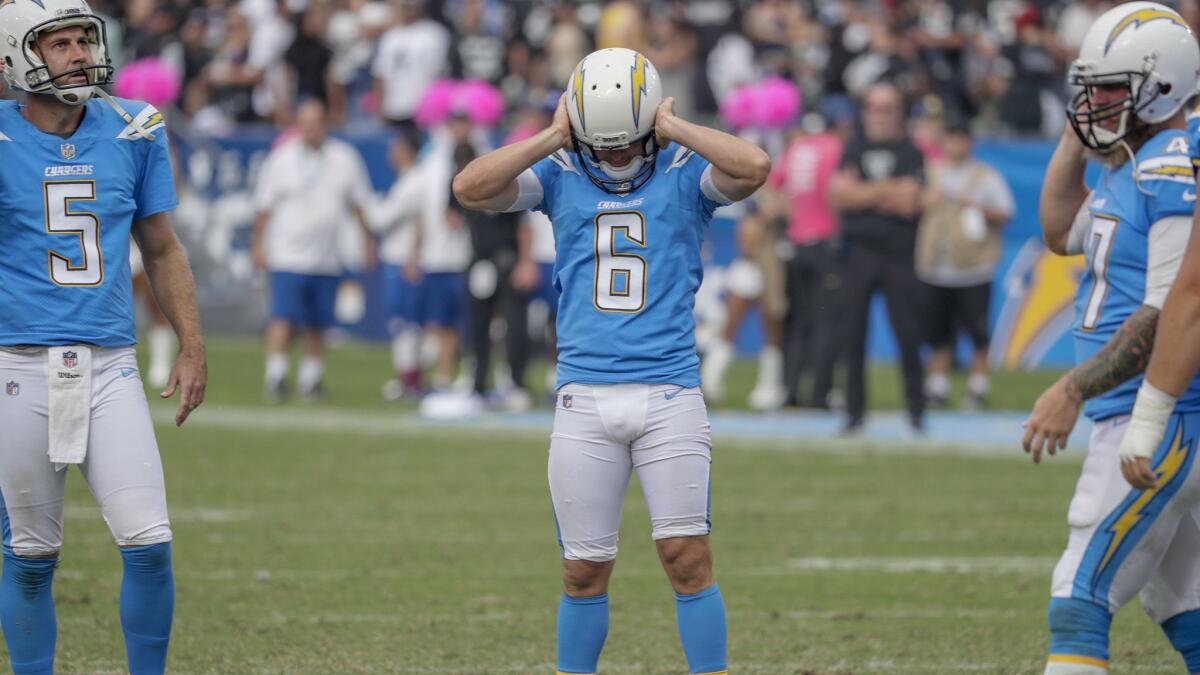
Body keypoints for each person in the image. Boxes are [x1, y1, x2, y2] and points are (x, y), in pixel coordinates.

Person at [452, 48, 769, 675]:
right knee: (582, 569)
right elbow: (469, 188)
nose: (617, 156)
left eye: (628, 142)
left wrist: (674, 126)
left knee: (686, 556)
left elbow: (755, 165)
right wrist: (550, 135)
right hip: (584, 396)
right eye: (604, 145)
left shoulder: (682, 169)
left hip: (669, 392)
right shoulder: (561, 169)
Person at [0, 0, 208, 672]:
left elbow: (163, 247)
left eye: (83, 39)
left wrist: (192, 341)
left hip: (110, 364)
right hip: (16, 364)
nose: (78, 54)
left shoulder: (135, 127)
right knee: (31, 555)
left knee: (149, 539)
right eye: (57, 44)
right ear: (16, 58)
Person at [1020, 4, 1200, 673]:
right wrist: (1077, 135)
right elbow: (1058, 229)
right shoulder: (1135, 163)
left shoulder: (1172, 170)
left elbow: (1165, 311)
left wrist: (1072, 387)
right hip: (1141, 415)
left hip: (1157, 414)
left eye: (1110, 88)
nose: (1094, 103)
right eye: (1088, 88)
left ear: (1166, 85)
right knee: (1183, 600)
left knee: (1079, 592)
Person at [251, 98, 376, 401]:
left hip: (326, 256)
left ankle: (311, 379)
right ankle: (277, 375)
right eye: (305, 123)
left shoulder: (344, 158)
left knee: (318, 323)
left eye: (316, 123)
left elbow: (360, 204)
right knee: (282, 317)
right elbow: (263, 207)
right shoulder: (281, 159)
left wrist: (367, 241)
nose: (310, 129)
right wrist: (258, 244)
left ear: (325, 124)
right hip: (287, 253)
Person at [828, 80, 927, 434]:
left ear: (899, 113)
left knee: (909, 334)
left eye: (888, 108)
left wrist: (863, 192)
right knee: (852, 335)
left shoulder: (911, 151)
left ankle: (916, 410)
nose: (880, 116)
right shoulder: (852, 147)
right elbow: (839, 198)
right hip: (859, 253)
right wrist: (889, 191)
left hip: (901, 254)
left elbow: (911, 201)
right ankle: (854, 413)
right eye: (874, 108)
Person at [915, 118, 1014, 410]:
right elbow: (913, 206)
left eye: (960, 138)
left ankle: (978, 385)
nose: (955, 144)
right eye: (950, 138)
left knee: (976, 329)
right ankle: (937, 383)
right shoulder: (930, 173)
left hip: (973, 266)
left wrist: (975, 205)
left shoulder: (985, 176)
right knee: (937, 329)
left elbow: (1006, 212)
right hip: (936, 265)